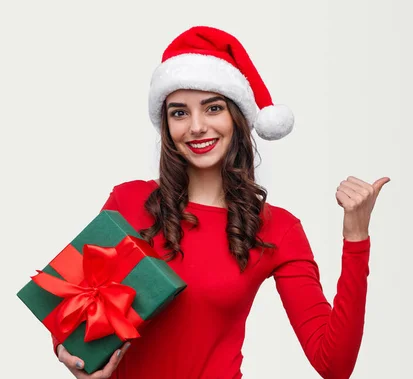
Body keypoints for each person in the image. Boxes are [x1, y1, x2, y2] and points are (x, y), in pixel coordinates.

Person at [53, 26, 390, 379]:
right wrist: (73, 357)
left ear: (236, 117)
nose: (197, 127)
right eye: (179, 113)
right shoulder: (128, 200)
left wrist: (356, 239)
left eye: (213, 108)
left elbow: (333, 364)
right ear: (166, 125)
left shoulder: (278, 228)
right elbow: (65, 305)